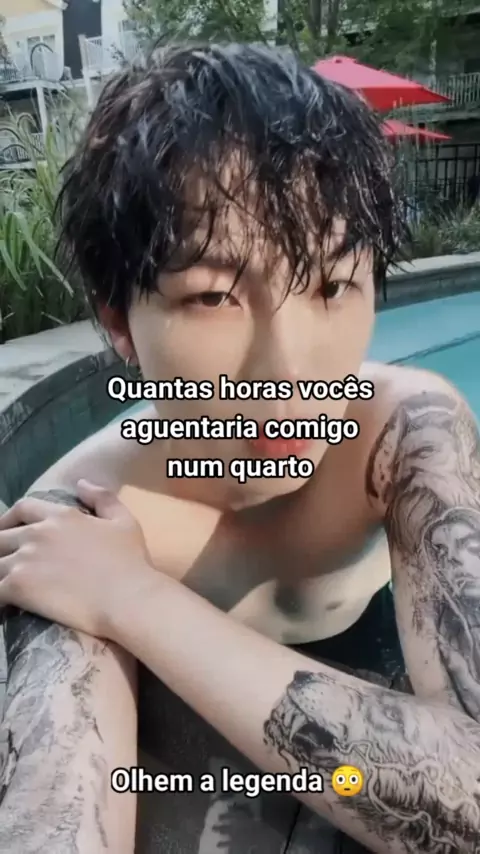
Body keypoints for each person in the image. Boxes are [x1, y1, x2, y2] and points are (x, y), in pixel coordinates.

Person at [0, 41, 479, 854]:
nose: (288, 373)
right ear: (119, 321)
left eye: (332, 285)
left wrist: (134, 599)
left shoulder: (402, 430)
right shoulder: (72, 528)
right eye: (213, 296)